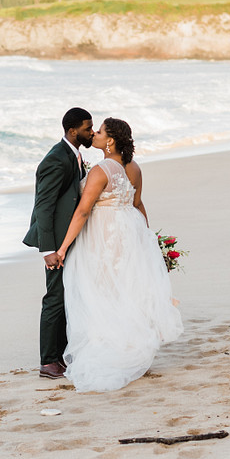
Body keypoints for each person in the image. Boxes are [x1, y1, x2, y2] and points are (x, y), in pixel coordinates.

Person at [54, 117, 182, 391]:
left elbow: (84, 210)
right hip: (128, 233)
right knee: (124, 289)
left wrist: (63, 246)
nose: (95, 135)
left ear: (110, 140)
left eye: (99, 132)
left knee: (102, 291)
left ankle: (112, 348)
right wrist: (147, 240)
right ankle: (130, 345)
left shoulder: (101, 170)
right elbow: (137, 204)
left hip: (104, 237)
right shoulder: (134, 168)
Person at [23, 107, 94, 379]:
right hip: (55, 243)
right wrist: (49, 249)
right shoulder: (55, 159)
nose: (91, 132)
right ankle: (48, 361)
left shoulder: (74, 155)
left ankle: (61, 355)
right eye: (88, 128)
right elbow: (43, 206)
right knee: (54, 298)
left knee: (66, 296)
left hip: (68, 238)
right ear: (73, 130)